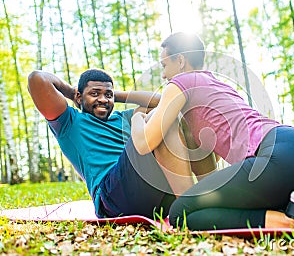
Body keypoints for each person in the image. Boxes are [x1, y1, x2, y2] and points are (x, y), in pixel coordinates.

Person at [130, 32, 294, 234]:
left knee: (180, 213)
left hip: (279, 157)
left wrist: (137, 118)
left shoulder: (180, 83)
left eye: (164, 64)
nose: (163, 74)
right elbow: (211, 167)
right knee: (212, 200)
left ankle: (287, 221)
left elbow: (144, 143)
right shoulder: (216, 85)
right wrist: (119, 95)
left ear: (181, 60)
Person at [27, 68, 199, 219]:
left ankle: (200, 194)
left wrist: (115, 95)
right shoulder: (70, 122)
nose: (103, 99)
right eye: (94, 93)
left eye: (107, 95)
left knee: (175, 116)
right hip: (112, 199)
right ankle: (189, 206)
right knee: (163, 119)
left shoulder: (123, 118)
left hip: (155, 199)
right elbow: (38, 80)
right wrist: (72, 93)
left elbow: (162, 102)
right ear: (79, 96)